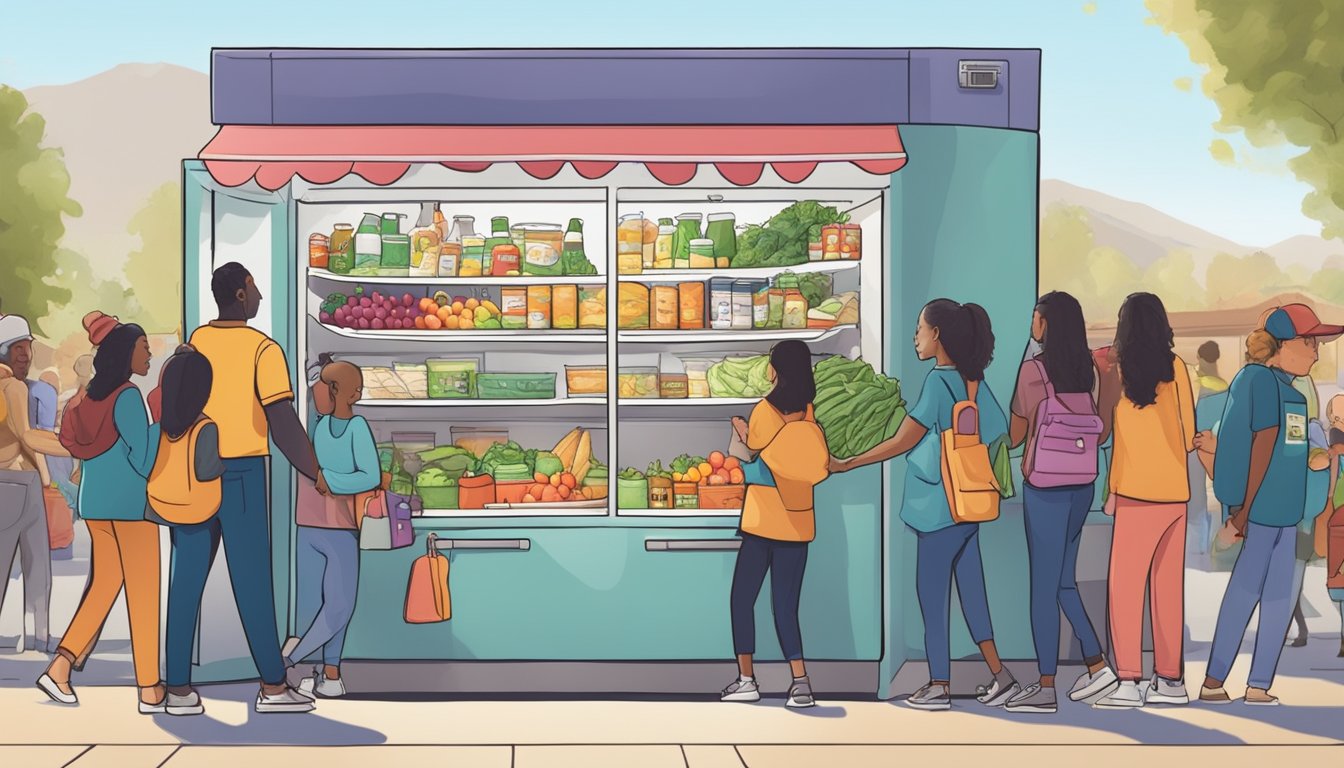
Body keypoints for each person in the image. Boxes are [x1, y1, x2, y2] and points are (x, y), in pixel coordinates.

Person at [832, 299, 1017, 711]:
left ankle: (939, 684)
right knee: (972, 592)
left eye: (920, 329)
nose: (916, 337)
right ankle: (1000, 675)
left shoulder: (937, 383)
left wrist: (848, 463)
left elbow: (904, 439)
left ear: (938, 336)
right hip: (969, 507)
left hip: (937, 508)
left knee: (932, 595)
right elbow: (1001, 433)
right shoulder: (974, 382)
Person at [165, 262, 324, 716]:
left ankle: (178, 688)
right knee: (252, 580)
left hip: (195, 470)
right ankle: (273, 687)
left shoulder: (196, 341)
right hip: (242, 473)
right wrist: (315, 471)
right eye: (254, 289)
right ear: (239, 294)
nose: (258, 297)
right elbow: (283, 424)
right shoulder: (262, 349)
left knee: (186, 580)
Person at [1196, 304, 1341, 706]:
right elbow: (1260, 446)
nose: (1315, 350)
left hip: (1285, 515)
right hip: (1259, 515)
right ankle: (1214, 680)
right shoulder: (1256, 381)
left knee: (1278, 598)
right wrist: (1240, 513)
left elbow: (1288, 451)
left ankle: (1258, 684)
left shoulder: (1294, 393)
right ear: (1281, 344)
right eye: (1308, 341)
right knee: (1245, 592)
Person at [37, 313, 163, 711]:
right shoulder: (127, 396)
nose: (148, 354)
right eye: (144, 347)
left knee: (106, 585)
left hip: (96, 506)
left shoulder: (88, 397)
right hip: (130, 507)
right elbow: (143, 459)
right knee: (143, 591)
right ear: (127, 352)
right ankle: (149, 687)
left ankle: (61, 666)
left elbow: (77, 447)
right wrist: (163, 425)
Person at [1002, 292, 1113, 714]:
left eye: (1035, 317)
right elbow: (1099, 431)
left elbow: (1014, 435)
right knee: (1064, 580)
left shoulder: (1034, 371)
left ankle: (1046, 686)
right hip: (1082, 484)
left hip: (1045, 487)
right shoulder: (1089, 369)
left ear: (1045, 324)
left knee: (1043, 589)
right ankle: (1097, 664)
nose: (1032, 323)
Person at [1097, 293, 1196, 710]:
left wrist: (1112, 493)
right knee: (1168, 589)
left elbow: (1110, 435)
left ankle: (1128, 680)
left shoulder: (1116, 371)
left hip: (1135, 493)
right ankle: (1170, 681)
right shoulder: (1177, 368)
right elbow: (1189, 433)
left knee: (1125, 589)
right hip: (1175, 494)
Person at [718, 340, 830, 710]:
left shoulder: (764, 411)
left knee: (741, 600)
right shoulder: (809, 412)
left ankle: (747, 679)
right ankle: (801, 682)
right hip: (798, 523)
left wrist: (739, 438)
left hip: (763, 522)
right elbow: (804, 466)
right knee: (786, 606)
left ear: (774, 370)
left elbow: (761, 466)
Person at [282, 357, 380, 700]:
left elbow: (371, 475)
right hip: (310, 522)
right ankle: (327, 673)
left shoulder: (357, 428)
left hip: (340, 524)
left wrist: (330, 480)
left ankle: (290, 662)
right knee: (320, 603)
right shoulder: (320, 426)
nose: (317, 390)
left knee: (339, 605)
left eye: (324, 385)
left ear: (344, 393)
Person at [143, 346, 226, 715]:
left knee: (180, 596)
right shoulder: (206, 427)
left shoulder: (164, 423)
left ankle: (175, 682)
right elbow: (209, 471)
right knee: (186, 598)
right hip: (199, 515)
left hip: (168, 509)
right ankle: (178, 687)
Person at [0, 313, 69, 654]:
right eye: (18, 348)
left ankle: (37, 638)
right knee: (36, 566)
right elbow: (27, 435)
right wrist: (47, 474)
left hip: (7, 480)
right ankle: (38, 639)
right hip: (20, 481)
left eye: (27, 347)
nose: (25, 355)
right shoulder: (12, 387)